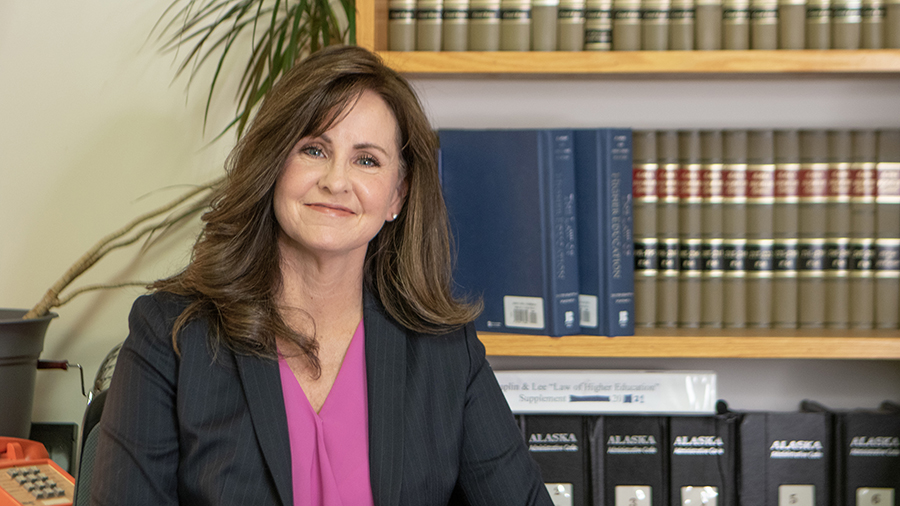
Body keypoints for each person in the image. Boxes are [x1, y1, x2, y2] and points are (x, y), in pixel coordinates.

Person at [91, 44, 553, 506]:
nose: (336, 181)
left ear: (398, 194)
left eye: (367, 159)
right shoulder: (171, 335)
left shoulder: (446, 352)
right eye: (314, 149)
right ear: (274, 165)